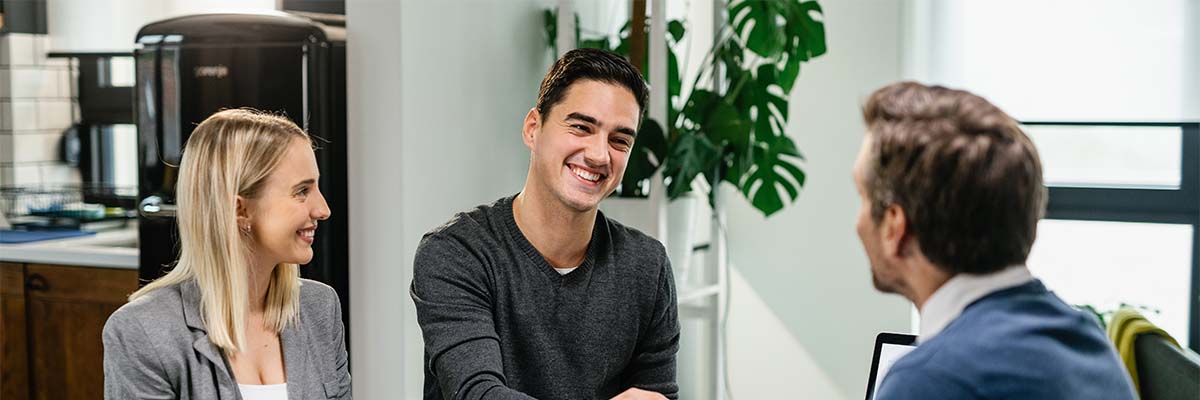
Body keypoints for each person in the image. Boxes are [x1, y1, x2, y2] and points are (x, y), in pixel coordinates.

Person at [411, 48, 679, 400]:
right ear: (533, 128)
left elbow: (656, 395)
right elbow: (478, 394)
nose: (599, 154)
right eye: (581, 127)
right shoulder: (457, 254)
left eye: (619, 140)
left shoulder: (647, 265)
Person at [853, 82, 1136, 399]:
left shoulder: (930, 382)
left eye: (862, 197)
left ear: (894, 226)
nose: (858, 223)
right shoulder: (1087, 343)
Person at [103, 109, 350, 399]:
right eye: (301, 191)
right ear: (239, 209)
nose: (323, 209)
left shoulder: (319, 307)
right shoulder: (142, 331)